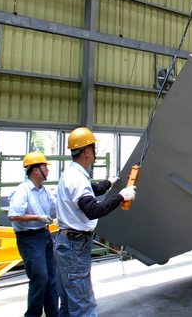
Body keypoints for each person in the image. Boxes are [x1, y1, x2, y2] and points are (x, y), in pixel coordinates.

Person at [54, 127, 137, 317]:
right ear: (87, 151)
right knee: (83, 305)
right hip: (74, 246)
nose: (95, 151)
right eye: (93, 147)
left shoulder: (71, 174)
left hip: (67, 243)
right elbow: (92, 210)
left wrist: (108, 183)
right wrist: (121, 197)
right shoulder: (77, 178)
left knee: (68, 304)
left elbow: (90, 191)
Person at [8, 151, 59, 317]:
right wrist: (38, 217)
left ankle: (54, 314)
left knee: (52, 278)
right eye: (45, 167)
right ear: (36, 170)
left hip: (44, 236)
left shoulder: (44, 191)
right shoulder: (23, 190)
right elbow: (13, 215)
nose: (48, 170)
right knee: (40, 277)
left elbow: (57, 205)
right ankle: (32, 315)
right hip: (29, 239)